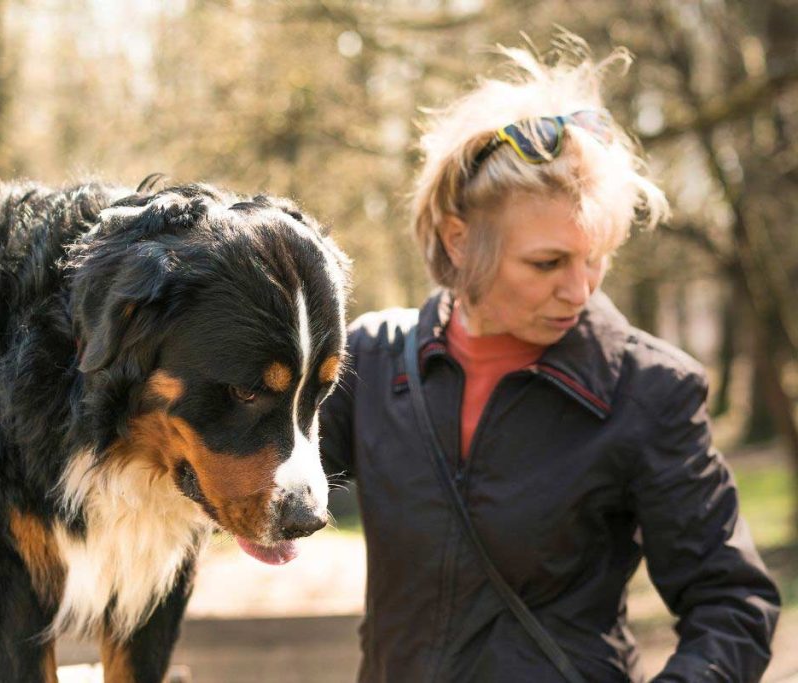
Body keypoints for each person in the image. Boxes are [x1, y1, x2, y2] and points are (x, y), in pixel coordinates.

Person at [319, 43, 780, 682]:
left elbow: (732, 602)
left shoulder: (649, 390)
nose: (580, 289)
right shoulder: (369, 360)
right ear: (459, 240)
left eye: (595, 257)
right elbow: (255, 485)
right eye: (548, 263)